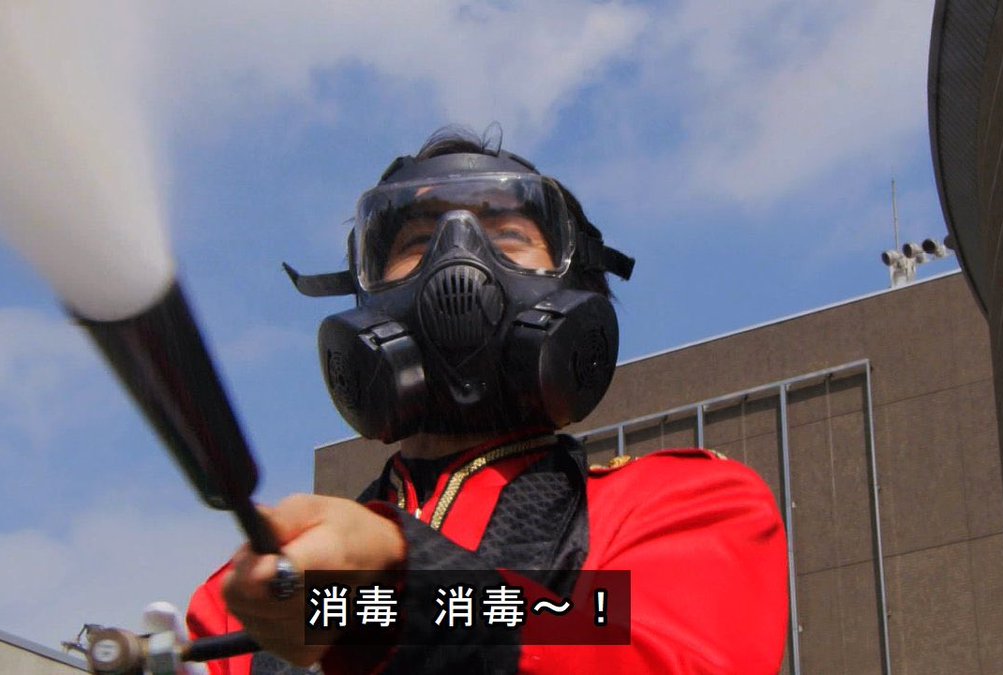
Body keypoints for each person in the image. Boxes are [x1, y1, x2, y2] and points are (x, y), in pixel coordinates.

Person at [187, 127, 789, 674]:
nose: (458, 261)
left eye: (508, 235)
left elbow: (658, 655)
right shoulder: (247, 595)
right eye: (417, 241)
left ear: (576, 290)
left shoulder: (679, 505)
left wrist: (402, 584)